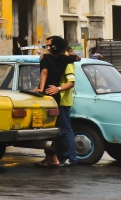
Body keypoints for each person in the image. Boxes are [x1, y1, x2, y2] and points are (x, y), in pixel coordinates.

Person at [34, 36, 80, 167]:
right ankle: (53, 157)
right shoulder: (65, 58)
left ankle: (70, 158)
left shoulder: (66, 62)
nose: (47, 48)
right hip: (55, 98)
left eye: (49, 45)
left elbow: (71, 82)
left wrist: (57, 89)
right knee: (53, 130)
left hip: (62, 100)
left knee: (65, 130)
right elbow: (77, 57)